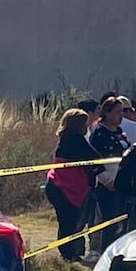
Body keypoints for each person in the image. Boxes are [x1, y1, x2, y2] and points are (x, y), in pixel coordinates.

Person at [45, 109, 104, 262]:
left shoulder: (64, 139)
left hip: (57, 185)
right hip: (65, 188)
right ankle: (68, 255)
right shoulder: (75, 140)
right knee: (69, 223)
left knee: (67, 222)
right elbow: (95, 159)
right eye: (84, 123)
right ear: (77, 125)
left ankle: (69, 254)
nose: (87, 126)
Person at [89, 97, 131, 249]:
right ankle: (103, 251)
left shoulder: (120, 132)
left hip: (121, 181)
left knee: (122, 220)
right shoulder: (99, 133)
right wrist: (106, 180)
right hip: (106, 184)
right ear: (106, 113)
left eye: (122, 112)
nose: (121, 116)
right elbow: (93, 160)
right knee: (109, 221)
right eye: (117, 112)